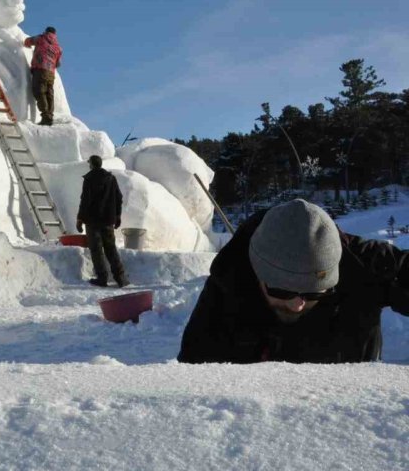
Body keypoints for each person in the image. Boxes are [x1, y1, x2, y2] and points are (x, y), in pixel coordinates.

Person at [178, 199, 409, 363]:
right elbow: (194, 385)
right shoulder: (227, 286)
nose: (297, 304)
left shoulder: (362, 265)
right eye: (281, 291)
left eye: (314, 293)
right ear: (257, 272)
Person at [76, 155, 128, 287]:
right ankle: (120, 278)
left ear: (92, 164)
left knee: (96, 250)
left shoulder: (89, 179)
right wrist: (117, 215)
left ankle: (102, 278)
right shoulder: (111, 178)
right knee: (111, 248)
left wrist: (80, 219)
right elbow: (119, 198)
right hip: (108, 221)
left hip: (93, 221)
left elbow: (85, 201)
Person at [22, 26, 62, 125]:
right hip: (51, 73)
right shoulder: (58, 47)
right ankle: (49, 116)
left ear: (46, 31)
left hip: (40, 69)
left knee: (39, 91)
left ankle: (46, 116)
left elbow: (28, 41)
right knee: (49, 93)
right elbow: (58, 64)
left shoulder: (41, 38)